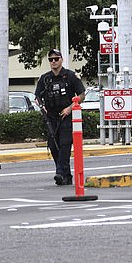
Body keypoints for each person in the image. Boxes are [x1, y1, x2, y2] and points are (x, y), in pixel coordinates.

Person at [35, 49, 86, 186]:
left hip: (66, 116)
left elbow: (82, 94)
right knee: (53, 146)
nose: (53, 62)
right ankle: (66, 176)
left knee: (64, 144)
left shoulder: (70, 76)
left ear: (61, 60)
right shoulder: (45, 78)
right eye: (51, 59)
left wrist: (70, 108)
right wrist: (42, 107)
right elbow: (37, 97)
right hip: (51, 116)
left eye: (56, 59)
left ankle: (59, 172)